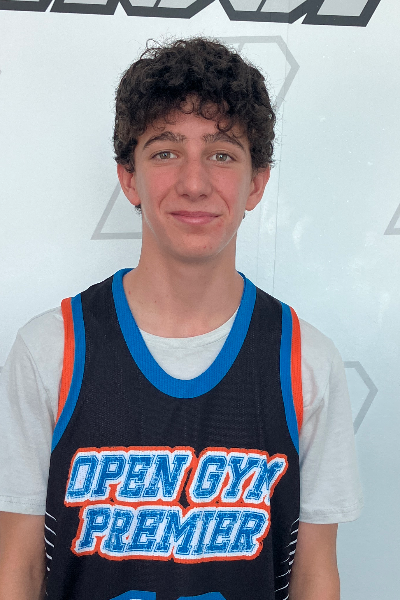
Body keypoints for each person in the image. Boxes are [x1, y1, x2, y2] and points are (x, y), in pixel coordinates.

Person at [0, 37, 362, 600]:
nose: (194, 183)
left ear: (257, 183)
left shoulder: (304, 361)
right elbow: (17, 569)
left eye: (222, 154)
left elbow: (315, 574)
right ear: (129, 178)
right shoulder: (51, 349)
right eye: (166, 152)